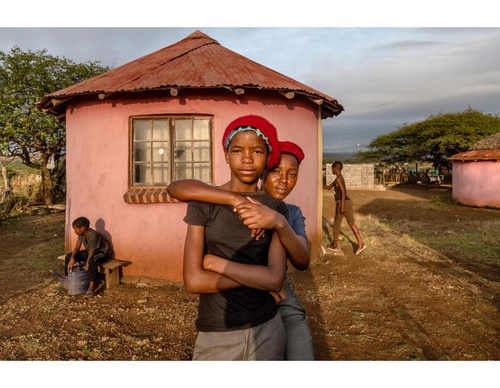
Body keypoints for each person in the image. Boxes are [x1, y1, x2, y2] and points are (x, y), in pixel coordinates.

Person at [168, 140, 315, 360]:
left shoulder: (288, 211)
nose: (284, 180)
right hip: (247, 301)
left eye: (292, 174)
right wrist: (235, 199)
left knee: (301, 357)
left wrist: (279, 222)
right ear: (264, 170)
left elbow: (302, 261)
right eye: (276, 171)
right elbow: (177, 188)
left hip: (281, 297)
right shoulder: (224, 202)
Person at [323, 161, 367, 255]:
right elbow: (328, 187)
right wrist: (318, 185)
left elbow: (343, 192)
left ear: (336, 168)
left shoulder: (339, 179)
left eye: (332, 168)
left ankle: (334, 245)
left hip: (343, 203)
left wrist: (342, 206)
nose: (332, 170)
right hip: (347, 203)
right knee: (351, 223)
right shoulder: (337, 179)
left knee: (336, 224)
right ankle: (361, 244)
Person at [64, 216, 111, 298]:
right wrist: (72, 259)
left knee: (91, 261)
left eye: (75, 229)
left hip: (102, 253)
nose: (75, 231)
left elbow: (92, 252)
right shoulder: (81, 235)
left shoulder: (94, 235)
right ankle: (68, 280)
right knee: (69, 256)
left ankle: (91, 287)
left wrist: (87, 263)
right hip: (90, 252)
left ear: (82, 228)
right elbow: (77, 248)